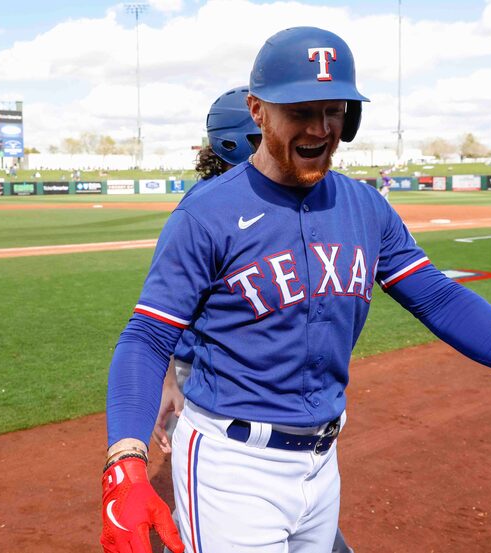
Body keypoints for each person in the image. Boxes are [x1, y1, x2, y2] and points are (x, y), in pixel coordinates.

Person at [101, 27, 491, 553]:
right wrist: (125, 461)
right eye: (300, 111)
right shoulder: (205, 214)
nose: (319, 127)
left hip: (322, 461)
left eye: (333, 110)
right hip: (231, 464)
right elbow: (147, 337)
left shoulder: (365, 206)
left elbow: (437, 296)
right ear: (258, 110)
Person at [152, 85, 353, 553]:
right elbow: (157, 320)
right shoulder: (208, 207)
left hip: (243, 398)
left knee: (204, 506)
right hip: (206, 381)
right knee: (206, 498)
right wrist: (168, 380)